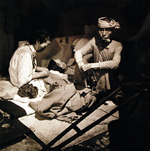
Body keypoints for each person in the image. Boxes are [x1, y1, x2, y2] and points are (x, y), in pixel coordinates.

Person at [74, 17, 123, 92]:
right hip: (95, 77)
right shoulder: (94, 41)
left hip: (109, 80)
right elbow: (79, 52)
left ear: (112, 31)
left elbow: (115, 63)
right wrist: (81, 64)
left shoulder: (117, 45)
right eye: (101, 30)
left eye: (107, 30)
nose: (103, 33)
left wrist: (92, 65)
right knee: (82, 60)